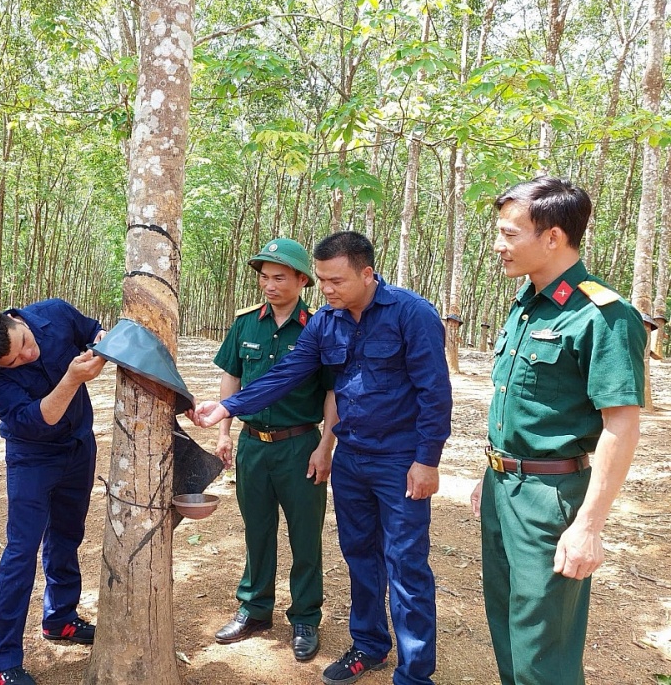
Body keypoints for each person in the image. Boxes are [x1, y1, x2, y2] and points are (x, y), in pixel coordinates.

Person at [194, 231, 451, 685]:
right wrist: (229, 407)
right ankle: (369, 644)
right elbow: (290, 372)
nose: (327, 290)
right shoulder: (326, 322)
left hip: (399, 461)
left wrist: (427, 460)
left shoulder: (412, 313)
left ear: (367, 274)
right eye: (323, 280)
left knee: (406, 564)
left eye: (336, 281)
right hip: (351, 457)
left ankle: (414, 674)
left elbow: (435, 392)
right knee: (359, 555)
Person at [470, 176, 647, 685]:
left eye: (509, 234)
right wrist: (495, 472)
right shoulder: (526, 304)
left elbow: (621, 425)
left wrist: (588, 524)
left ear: (552, 238)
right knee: (508, 624)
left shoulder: (601, 315)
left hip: (551, 498)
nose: (498, 246)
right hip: (505, 487)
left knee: (544, 643)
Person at [0, 301, 106, 685]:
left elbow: (93, 331)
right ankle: (4, 659)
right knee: (21, 552)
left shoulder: (54, 313)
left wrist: (103, 343)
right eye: (16, 361)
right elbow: (38, 420)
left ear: (14, 321)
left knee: (68, 535)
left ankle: (61, 619)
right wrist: (71, 380)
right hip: (33, 457)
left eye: (23, 342)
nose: (29, 354)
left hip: (78, 445)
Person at [210, 238, 334, 662]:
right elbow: (232, 379)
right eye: (264, 277)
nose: (270, 285)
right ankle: (254, 608)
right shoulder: (245, 324)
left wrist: (326, 445)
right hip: (252, 446)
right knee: (257, 530)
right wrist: (224, 432)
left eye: (280, 277)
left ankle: (304, 617)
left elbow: (334, 393)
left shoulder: (319, 326)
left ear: (303, 280)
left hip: (300, 445)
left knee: (305, 535)